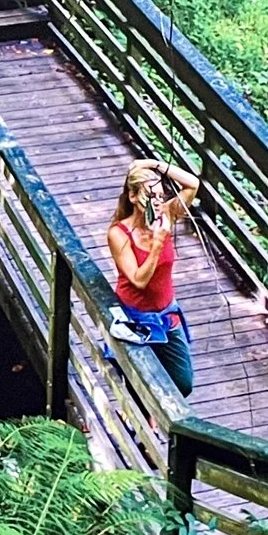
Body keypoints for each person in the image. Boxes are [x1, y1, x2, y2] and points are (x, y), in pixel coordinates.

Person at [106, 158, 201, 395]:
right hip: (137, 318)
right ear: (133, 197)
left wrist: (152, 164)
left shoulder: (167, 215)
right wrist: (158, 244)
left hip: (167, 313)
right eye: (151, 196)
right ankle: (146, 421)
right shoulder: (119, 234)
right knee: (140, 381)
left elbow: (192, 185)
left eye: (160, 195)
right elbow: (139, 280)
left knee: (183, 383)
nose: (157, 202)